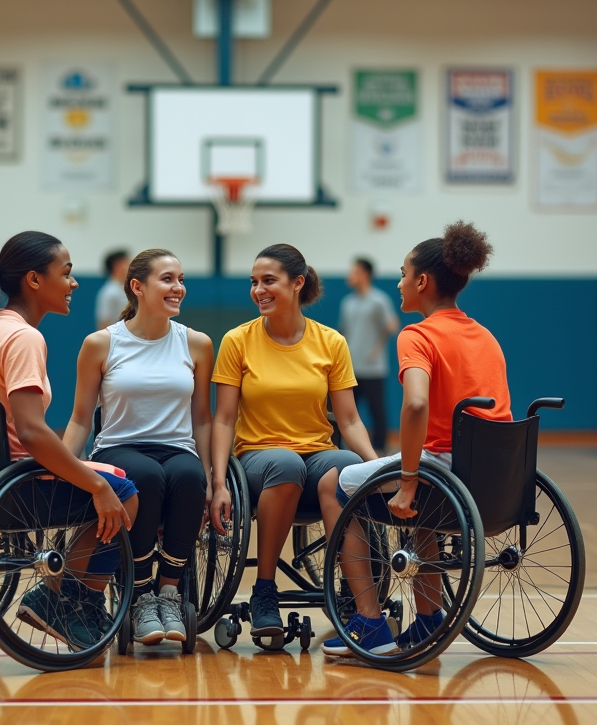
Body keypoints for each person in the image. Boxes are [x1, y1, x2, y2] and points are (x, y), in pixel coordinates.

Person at [324, 220, 511, 657]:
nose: (400, 281)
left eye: (404, 273)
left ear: (422, 281)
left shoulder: (418, 334)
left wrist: (408, 480)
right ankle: (428, 617)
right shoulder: (484, 335)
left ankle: (370, 621)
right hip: (491, 477)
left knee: (333, 483)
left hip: (441, 470)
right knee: (417, 499)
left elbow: (415, 406)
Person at [0, 230, 140, 650]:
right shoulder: (24, 337)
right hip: (14, 487)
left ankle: (70, 599)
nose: (74, 284)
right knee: (122, 490)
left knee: (106, 476)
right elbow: (33, 433)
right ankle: (65, 600)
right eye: (66, 273)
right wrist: (95, 484)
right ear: (35, 281)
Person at [210, 244, 379, 640]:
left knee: (345, 466)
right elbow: (222, 418)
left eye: (268, 281)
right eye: (254, 282)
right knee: (286, 464)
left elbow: (350, 420)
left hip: (315, 456)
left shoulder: (331, 342)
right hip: (258, 460)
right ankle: (264, 591)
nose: (258, 290)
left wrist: (375, 469)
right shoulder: (237, 341)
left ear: (297, 283)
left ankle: (367, 614)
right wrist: (218, 482)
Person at [63, 249, 214, 646]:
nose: (178, 287)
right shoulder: (100, 344)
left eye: (181, 279)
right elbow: (81, 418)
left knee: (187, 475)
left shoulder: (197, 344)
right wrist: (62, 467)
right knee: (145, 476)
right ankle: (141, 595)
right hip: (119, 448)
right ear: (137, 287)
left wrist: (214, 477)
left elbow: (202, 419)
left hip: (177, 448)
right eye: (167, 279)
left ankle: (168, 594)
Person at [339, 257, 399, 454]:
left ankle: (381, 450)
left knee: (377, 411)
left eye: (354, 271)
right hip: (351, 368)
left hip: (373, 367)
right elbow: (344, 332)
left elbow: (392, 324)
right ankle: (347, 449)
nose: (350, 275)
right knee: (346, 412)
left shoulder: (379, 300)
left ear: (365, 273)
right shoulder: (348, 303)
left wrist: (378, 346)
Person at [95, 249, 130, 329]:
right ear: (118, 266)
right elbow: (104, 323)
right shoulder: (110, 292)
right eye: (128, 264)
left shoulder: (124, 290)